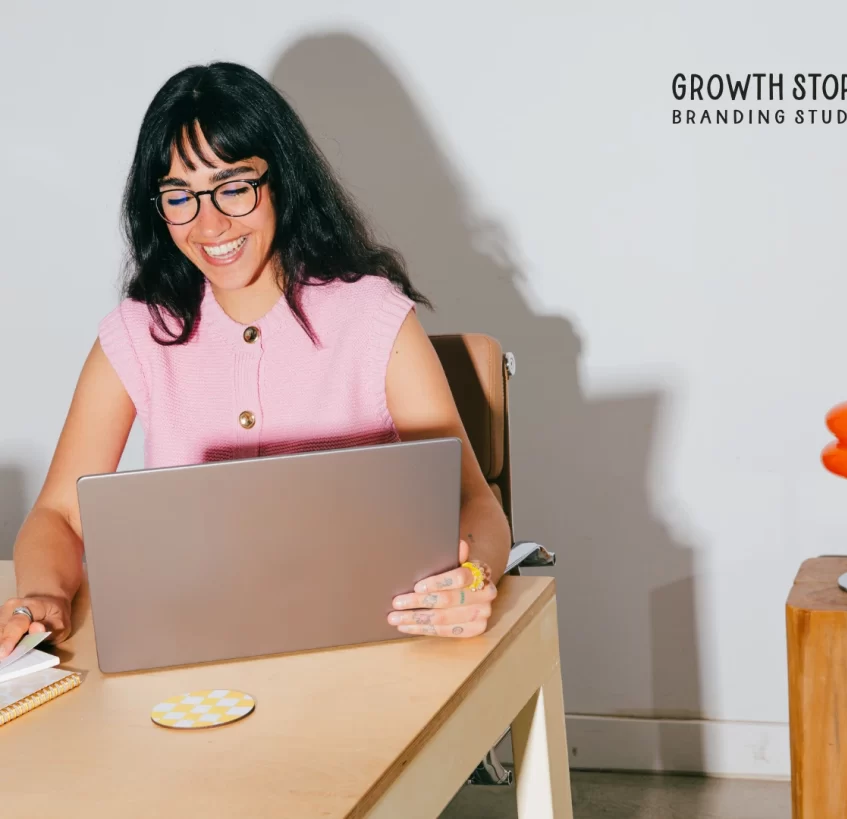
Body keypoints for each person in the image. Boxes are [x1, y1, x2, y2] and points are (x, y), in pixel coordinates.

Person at [0, 62, 511, 659]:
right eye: (179, 196)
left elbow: (475, 503)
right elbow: (59, 516)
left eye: (234, 187)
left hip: (371, 647)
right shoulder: (140, 333)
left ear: (282, 182)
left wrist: (471, 580)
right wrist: (39, 595)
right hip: (196, 654)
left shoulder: (373, 317)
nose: (210, 223)